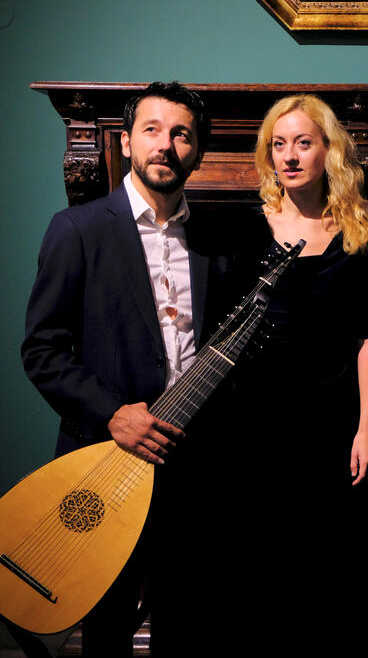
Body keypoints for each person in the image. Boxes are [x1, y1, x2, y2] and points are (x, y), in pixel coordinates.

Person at [21, 82, 240, 656]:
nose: (165, 144)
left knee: (193, 631)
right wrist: (113, 414)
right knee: (108, 634)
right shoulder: (77, 229)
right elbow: (42, 351)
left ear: (198, 150)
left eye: (181, 134)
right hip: (105, 463)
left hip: (195, 470)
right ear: (125, 141)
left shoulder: (218, 241)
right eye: (151, 130)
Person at [240, 93, 368, 655]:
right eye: (279, 144)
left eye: (303, 142)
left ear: (329, 151)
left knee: (333, 555)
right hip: (260, 417)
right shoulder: (249, 227)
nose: (290, 156)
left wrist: (365, 427)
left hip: (333, 417)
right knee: (267, 556)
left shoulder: (360, 230)